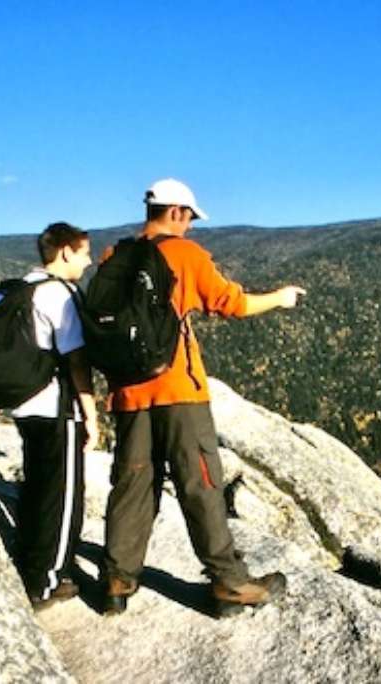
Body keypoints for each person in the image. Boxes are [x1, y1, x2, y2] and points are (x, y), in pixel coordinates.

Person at [101, 178, 305, 616]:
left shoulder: (113, 256)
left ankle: (117, 582)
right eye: (190, 217)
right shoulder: (185, 255)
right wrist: (281, 299)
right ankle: (229, 583)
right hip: (178, 389)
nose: (191, 226)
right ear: (176, 212)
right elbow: (232, 304)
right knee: (200, 482)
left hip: (127, 393)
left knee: (133, 482)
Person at [12, 222, 99, 610]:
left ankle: (28, 564)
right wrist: (91, 413)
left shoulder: (23, 287)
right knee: (62, 498)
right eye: (84, 252)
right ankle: (47, 581)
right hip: (55, 407)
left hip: (25, 406)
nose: (89, 260)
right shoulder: (60, 296)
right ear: (65, 252)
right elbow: (76, 360)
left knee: (36, 488)